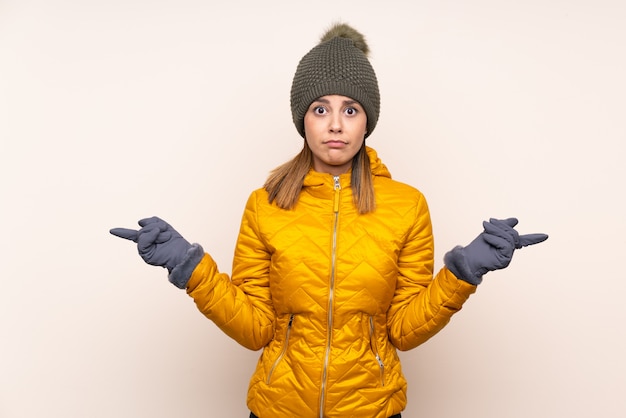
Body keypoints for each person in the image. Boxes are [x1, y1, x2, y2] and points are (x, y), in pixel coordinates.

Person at [110, 23, 548, 418]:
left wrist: (461, 275)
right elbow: (255, 328)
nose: (335, 125)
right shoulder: (264, 205)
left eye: (350, 110)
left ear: (367, 122)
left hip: (373, 408)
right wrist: (189, 269)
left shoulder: (407, 206)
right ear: (303, 119)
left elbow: (402, 330)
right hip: (277, 408)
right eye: (321, 109)